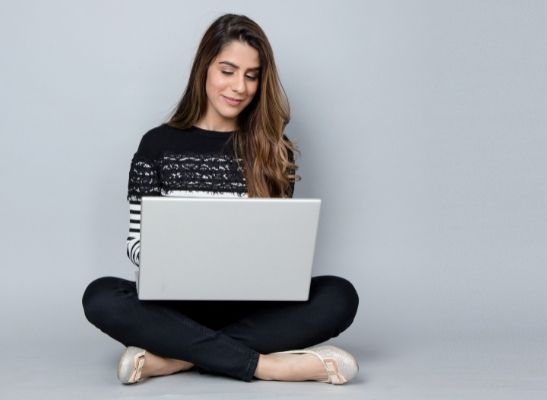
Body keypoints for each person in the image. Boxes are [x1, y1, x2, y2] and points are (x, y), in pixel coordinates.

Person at [81, 13, 359, 385]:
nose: (239, 87)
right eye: (227, 70)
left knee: (340, 296)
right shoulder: (156, 145)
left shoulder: (275, 151)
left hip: (251, 308)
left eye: (251, 75)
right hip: (173, 305)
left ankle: (175, 357)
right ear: (204, 69)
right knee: (100, 296)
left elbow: (280, 248)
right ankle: (266, 366)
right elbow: (135, 242)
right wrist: (173, 258)